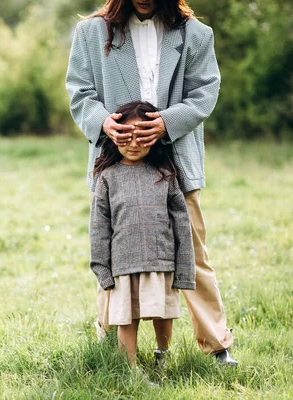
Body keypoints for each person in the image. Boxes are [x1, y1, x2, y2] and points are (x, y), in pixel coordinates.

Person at [65, 0, 238, 365]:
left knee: (192, 253)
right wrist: (103, 123)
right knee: (113, 253)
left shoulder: (196, 35)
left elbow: (204, 92)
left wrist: (166, 123)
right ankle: (110, 346)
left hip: (174, 161)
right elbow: (79, 92)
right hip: (115, 159)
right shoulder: (91, 33)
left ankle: (217, 345)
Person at [90, 101, 195, 368]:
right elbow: (99, 227)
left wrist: (184, 268)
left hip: (161, 261)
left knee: (163, 313)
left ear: (154, 135)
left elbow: (182, 222)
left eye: (141, 135)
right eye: (127, 135)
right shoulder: (107, 178)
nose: (134, 143)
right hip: (123, 264)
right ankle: (131, 368)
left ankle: (164, 357)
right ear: (114, 137)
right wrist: (103, 269)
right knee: (127, 317)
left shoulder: (166, 174)